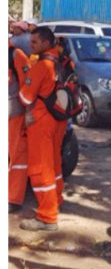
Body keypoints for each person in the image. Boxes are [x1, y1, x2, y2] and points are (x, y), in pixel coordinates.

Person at [16, 27, 70, 231]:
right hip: (59, 119)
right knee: (55, 164)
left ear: (47, 43)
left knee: (40, 167)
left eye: (35, 43)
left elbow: (25, 97)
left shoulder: (41, 66)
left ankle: (47, 216)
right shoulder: (63, 61)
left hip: (41, 121)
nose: (31, 46)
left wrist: (25, 80)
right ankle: (56, 201)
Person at [8, 40, 31, 213]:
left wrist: (29, 112)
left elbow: (28, 87)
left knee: (17, 156)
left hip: (14, 115)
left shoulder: (16, 56)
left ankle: (13, 198)